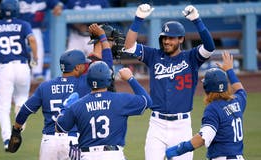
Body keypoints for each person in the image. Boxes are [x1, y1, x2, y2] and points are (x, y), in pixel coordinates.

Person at [123, 4, 216, 160]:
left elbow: (209, 47)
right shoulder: (154, 55)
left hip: (182, 126)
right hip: (157, 125)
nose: (166, 41)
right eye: (164, 37)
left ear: (180, 39)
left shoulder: (191, 58)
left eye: (171, 37)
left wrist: (197, 20)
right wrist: (138, 18)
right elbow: (129, 46)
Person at [11, 23, 113, 159]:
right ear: (77, 68)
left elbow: (25, 110)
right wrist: (103, 38)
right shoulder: (84, 83)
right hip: (73, 141)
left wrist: (16, 130)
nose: (86, 66)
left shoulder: (45, 86)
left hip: (49, 142)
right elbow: (107, 67)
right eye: (84, 64)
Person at [55, 61, 153, 160]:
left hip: (87, 156)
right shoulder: (120, 100)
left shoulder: (77, 105)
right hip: (113, 155)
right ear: (108, 79)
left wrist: (65, 108)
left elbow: (60, 128)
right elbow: (147, 101)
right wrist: (130, 79)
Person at [0, 0, 37, 151]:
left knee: (3, 108)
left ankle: (6, 140)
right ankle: (20, 116)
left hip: (5, 68)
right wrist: (35, 59)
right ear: (17, 10)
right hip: (22, 66)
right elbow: (31, 39)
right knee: (22, 98)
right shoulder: (23, 24)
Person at [165, 51, 246, 160]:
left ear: (207, 88)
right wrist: (229, 71)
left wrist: (176, 150)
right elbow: (241, 90)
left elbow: (203, 138)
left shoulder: (213, 109)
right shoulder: (237, 102)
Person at [18, 0, 63, 80]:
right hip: (19, 28)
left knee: (38, 49)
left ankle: (36, 73)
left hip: (35, 29)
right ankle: (21, 73)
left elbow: (57, 3)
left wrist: (58, 6)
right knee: (19, 51)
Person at [87, 23, 125, 92]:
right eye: (112, 41)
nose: (115, 44)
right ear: (103, 41)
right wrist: (102, 35)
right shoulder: (101, 65)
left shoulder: (90, 62)